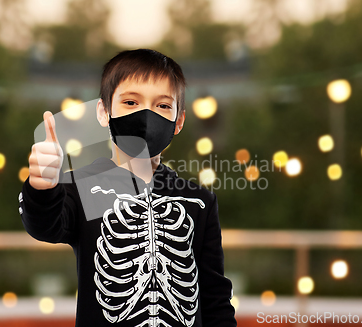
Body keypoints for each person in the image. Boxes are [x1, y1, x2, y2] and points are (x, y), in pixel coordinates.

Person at [18, 48, 237, 327]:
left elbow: (215, 297)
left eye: (163, 106)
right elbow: (44, 225)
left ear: (178, 121)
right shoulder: (82, 188)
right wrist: (42, 185)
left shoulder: (198, 200)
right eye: (131, 102)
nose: (147, 115)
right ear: (104, 112)